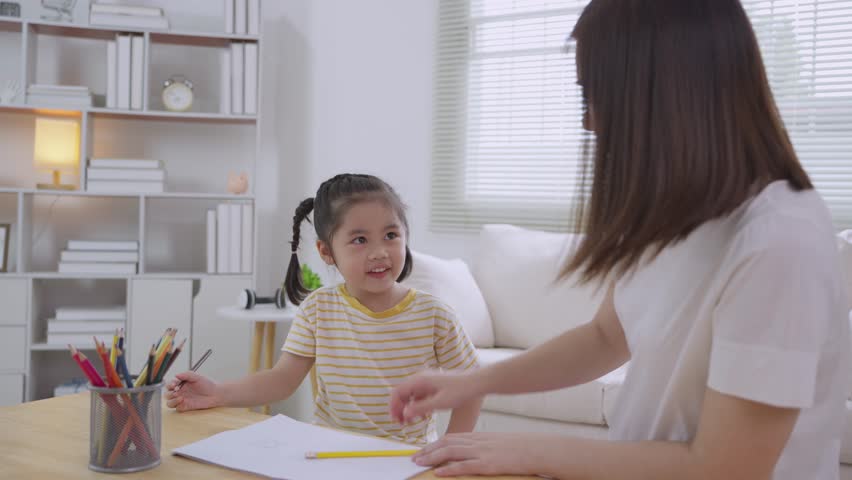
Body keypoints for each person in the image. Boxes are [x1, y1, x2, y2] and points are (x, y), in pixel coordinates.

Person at [390, 0, 851, 477]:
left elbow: (725, 466)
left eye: (595, 94)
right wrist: (469, 382)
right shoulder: (674, 214)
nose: (589, 122)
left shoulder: (780, 239)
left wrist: (529, 450)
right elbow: (605, 336)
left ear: (665, 95)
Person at [166, 173, 481, 445]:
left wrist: (449, 447)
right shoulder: (318, 309)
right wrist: (217, 392)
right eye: (360, 239)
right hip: (330, 454)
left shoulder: (434, 315)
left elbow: (472, 385)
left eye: (391, 235)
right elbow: (282, 380)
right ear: (326, 251)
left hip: (407, 460)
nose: (379, 252)